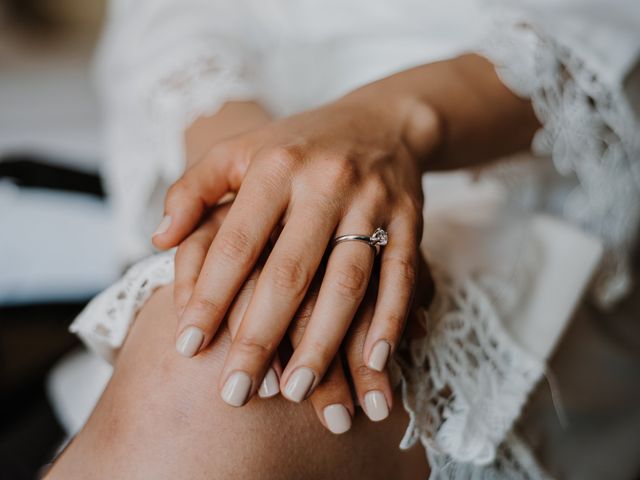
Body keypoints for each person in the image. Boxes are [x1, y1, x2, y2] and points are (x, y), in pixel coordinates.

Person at [47, 0, 640, 478]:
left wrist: (398, 122)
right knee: (222, 346)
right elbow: (165, 22)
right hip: (248, 124)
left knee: (231, 388)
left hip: (526, 161)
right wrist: (260, 177)